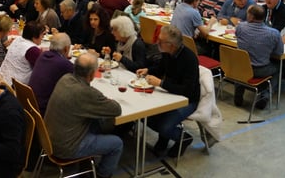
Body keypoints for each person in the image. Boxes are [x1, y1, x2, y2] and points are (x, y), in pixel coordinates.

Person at [45, 53, 123, 178]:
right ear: (92, 74)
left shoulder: (65, 78)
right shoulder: (85, 92)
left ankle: (87, 164)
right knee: (117, 144)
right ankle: (102, 175)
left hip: (49, 138)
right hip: (66, 147)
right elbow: (116, 109)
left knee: (97, 121)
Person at [137, 25, 200, 157]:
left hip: (187, 100)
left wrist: (161, 83)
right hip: (169, 94)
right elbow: (160, 69)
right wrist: (148, 70)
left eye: (160, 41)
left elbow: (187, 90)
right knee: (143, 116)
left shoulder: (189, 58)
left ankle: (183, 138)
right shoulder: (167, 53)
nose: (157, 43)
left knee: (164, 126)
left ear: (171, 45)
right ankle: (164, 138)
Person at [235, 5, 283, 108]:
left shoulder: (240, 27)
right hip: (261, 69)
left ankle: (238, 94)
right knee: (278, 67)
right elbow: (279, 52)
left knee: (241, 64)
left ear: (251, 17)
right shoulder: (274, 33)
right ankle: (264, 96)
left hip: (242, 68)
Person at [29, 33, 74, 115]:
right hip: (44, 110)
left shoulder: (43, 55)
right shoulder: (64, 64)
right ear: (66, 48)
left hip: (31, 105)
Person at [0, 21, 44, 85]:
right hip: (14, 86)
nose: (43, 37)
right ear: (34, 36)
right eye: (42, 34)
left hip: (2, 78)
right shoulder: (32, 50)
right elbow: (42, 70)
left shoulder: (18, 39)